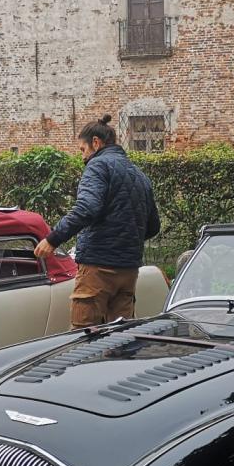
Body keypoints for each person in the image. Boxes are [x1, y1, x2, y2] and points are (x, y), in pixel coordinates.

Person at [35, 114, 161, 327]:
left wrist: (52, 239)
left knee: (84, 334)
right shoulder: (139, 175)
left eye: (82, 149)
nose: (83, 157)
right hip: (129, 270)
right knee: (120, 335)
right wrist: (125, 241)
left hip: (98, 268)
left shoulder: (97, 166)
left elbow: (86, 209)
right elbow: (153, 226)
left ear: (96, 142)